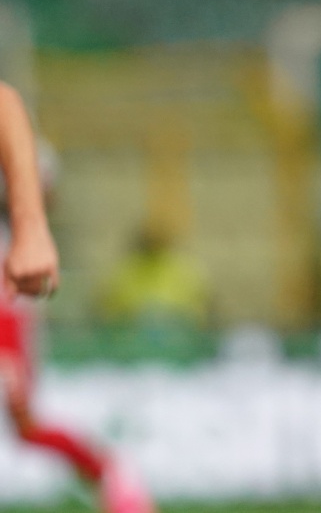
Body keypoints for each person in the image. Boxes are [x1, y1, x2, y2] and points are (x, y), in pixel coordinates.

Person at [0, 81, 156, 513]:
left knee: (24, 421)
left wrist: (30, 226)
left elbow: (3, 105)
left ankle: (110, 472)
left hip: (7, 303)